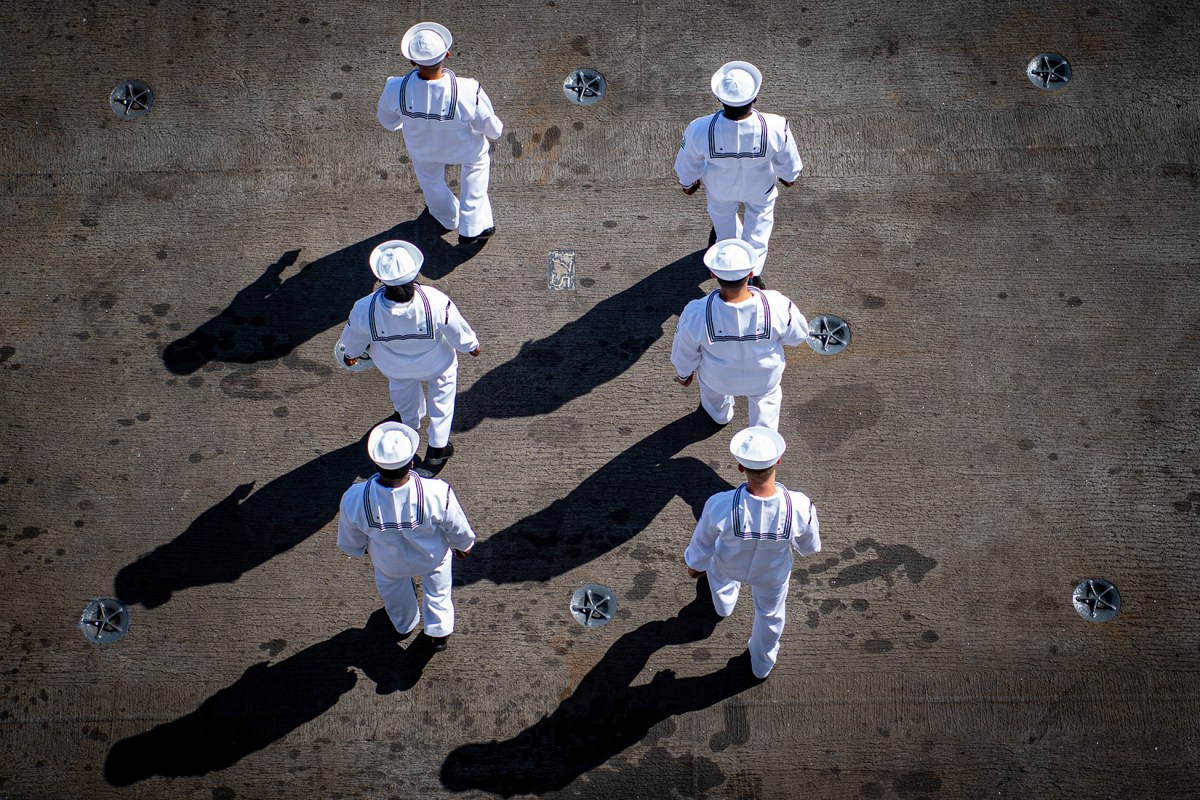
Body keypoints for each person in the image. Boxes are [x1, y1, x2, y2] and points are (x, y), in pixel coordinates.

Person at [684, 426, 821, 679]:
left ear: (740, 467)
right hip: (771, 575)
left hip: (728, 566)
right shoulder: (801, 506)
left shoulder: (719, 504)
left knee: (720, 581)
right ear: (778, 461)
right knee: (770, 617)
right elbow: (809, 547)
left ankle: (724, 607)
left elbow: (702, 544)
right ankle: (761, 666)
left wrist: (695, 566)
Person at [340, 240, 480, 469]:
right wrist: (471, 345)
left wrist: (350, 355)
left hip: (393, 365)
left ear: (380, 278)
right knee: (443, 397)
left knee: (402, 391)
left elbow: (353, 338)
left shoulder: (364, 308)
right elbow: (457, 329)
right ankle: (437, 447)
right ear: (416, 272)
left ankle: (409, 423)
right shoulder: (435, 301)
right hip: (437, 362)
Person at [338, 421, 477, 650]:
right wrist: (464, 545)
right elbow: (456, 525)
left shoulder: (354, 497)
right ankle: (439, 632)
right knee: (439, 589)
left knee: (393, 593)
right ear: (411, 462)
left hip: (389, 563)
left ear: (376, 463)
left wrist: (357, 548)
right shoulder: (437, 491)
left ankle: (404, 624)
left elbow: (350, 537)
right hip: (432, 557)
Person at [674, 61, 803, 284]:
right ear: (755, 98)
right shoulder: (776, 126)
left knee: (724, 228)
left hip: (720, 190)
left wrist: (688, 183)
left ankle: (728, 265)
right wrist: (789, 177)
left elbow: (687, 162)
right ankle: (753, 274)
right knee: (759, 231)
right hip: (760, 188)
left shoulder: (699, 128)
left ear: (719, 98)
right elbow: (788, 163)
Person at [377, 22, 504, 244]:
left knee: (431, 182)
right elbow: (490, 127)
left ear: (412, 61)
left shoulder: (394, 88)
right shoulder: (467, 90)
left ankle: (447, 218)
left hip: (422, 150)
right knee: (477, 166)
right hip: (463, 149)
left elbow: (387, 121)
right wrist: (495, 131)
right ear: (447, 54)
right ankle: (472, 226)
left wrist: (410, 125)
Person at [670, 239, 809, 431]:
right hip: (763, 378)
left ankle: (718, 416)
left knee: (713, 397)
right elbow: (798, 336)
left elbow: (684, 350)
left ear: (712, 275)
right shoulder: (777, 304)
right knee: (767, 403)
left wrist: (684, 374)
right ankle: (760, 447)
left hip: (718, 379)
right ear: (751, 274)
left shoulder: (696, 312)